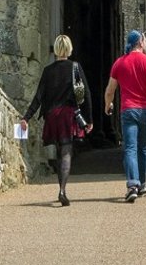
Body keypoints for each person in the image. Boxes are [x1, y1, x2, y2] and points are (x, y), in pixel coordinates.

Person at [21, 35, 93, 206]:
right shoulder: (75, 67)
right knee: (67, 152)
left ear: (55, 50)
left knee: (59, 151)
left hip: (52, 116)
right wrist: (89, 119)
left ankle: (62, 189)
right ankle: (62, 190)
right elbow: (86, 93)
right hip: (69, 115)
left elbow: (38, 97)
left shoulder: (48, 70)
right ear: (69, 49)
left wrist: (26, 117)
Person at [104, 30, 146, 203]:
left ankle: (132, 185)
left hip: (128, 110)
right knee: (143, 148)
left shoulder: (119, 63)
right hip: (145, 110)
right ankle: (143, 183)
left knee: (130, 148)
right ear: (140, 42)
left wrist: (107, 104)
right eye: (145, 40)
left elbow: (110, 90)